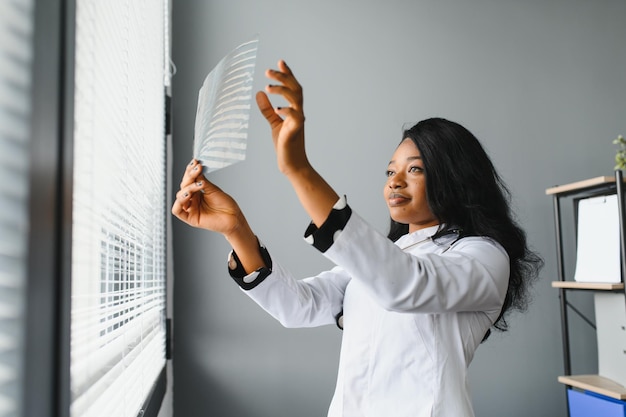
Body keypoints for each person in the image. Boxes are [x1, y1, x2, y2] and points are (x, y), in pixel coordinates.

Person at [172, 60, 543, 417]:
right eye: (390, 171)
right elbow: (298, 306)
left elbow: (406, 285)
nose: (394, 181)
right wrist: (236, 229)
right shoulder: (384, 258)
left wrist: (298, 169)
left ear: (455, 176)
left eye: (414, 169)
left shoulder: (484, 257)